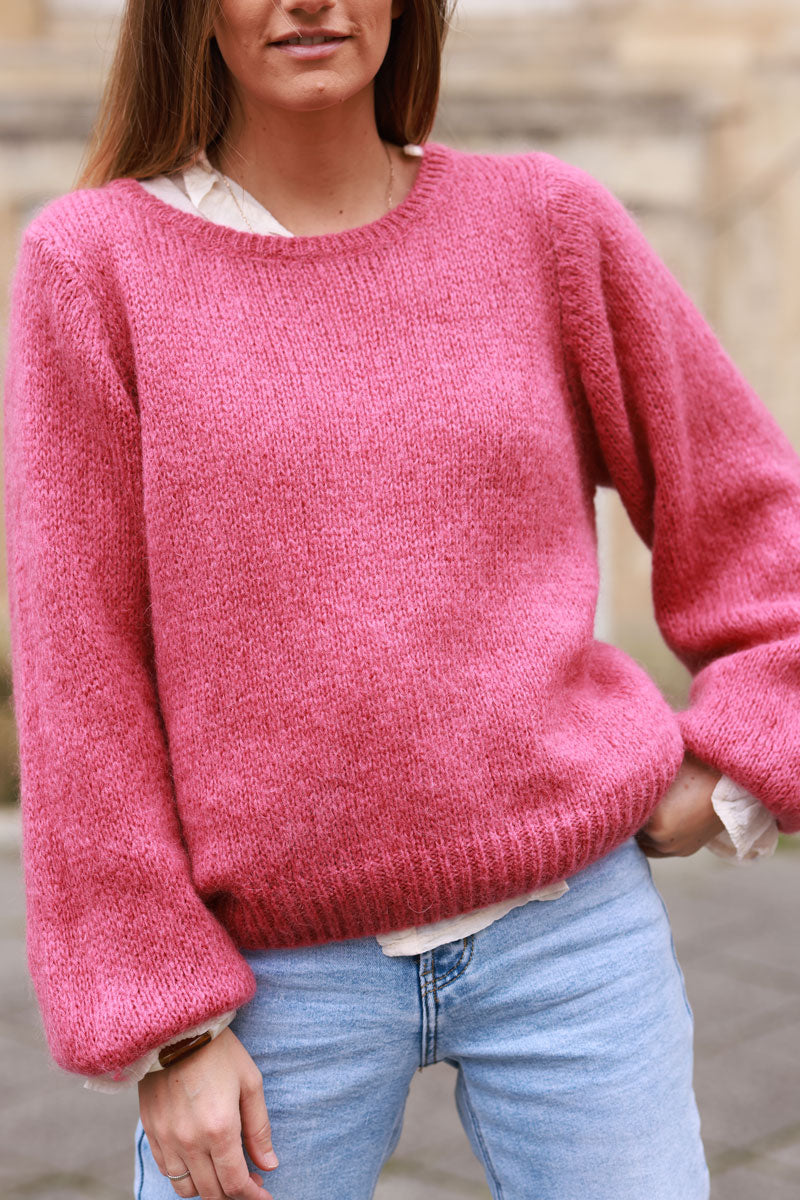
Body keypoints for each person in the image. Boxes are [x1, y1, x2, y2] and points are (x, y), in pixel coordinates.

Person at [3, 0, 799, 1197]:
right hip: (271, 988)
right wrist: (164, 1022)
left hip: (571, 941)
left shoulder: (543, 225)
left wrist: (744, 759)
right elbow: (80, 667)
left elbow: (747, 508)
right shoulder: (92, 265)